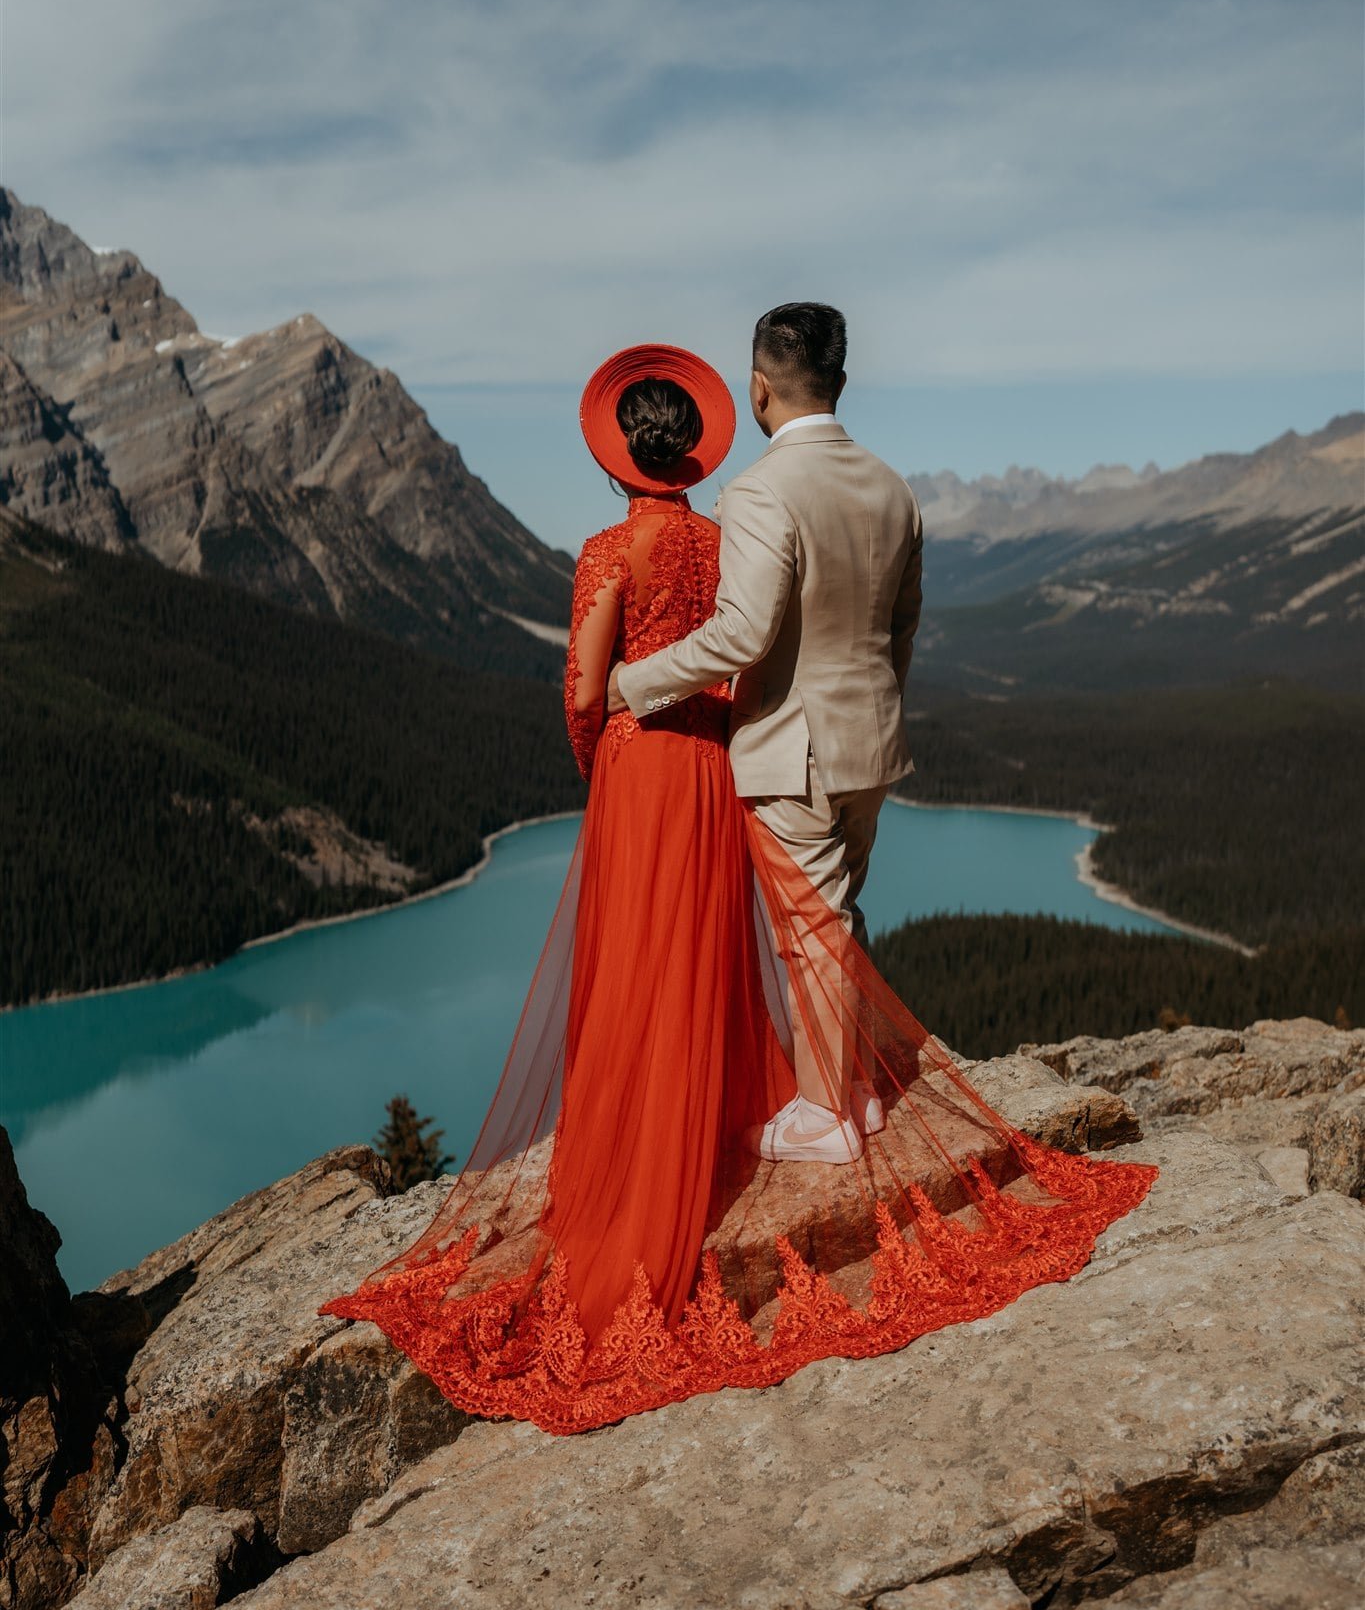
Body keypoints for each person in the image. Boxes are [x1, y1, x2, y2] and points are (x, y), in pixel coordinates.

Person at [318, 337, 1157, 1437]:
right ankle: (769, 1096)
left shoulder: (612, 546)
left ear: (619, 450)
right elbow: (841, 636)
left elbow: (589, 686)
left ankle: (723, 1128)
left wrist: (612, 737)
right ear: (701, 439)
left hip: (652, 758)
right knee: (729, 939)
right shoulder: (765, 520)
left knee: (662, 952)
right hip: (749, 755)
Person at [610, 303, 923, 1163]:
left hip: (794, 751)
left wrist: (628, 685)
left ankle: (825, 1114)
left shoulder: (758, 491)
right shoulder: (892, 486)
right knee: (841, 919)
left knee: (810, 935)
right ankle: (854, 1094)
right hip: (872, 744)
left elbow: (739, 636)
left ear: (757, 388)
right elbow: (901, 628)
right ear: (841, 382)